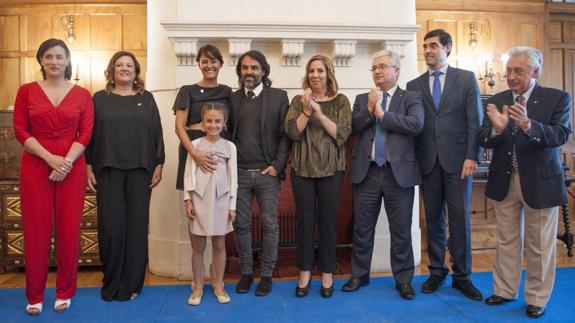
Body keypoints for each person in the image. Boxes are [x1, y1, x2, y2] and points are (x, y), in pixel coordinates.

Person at [478, 46, 571, 319]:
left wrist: (529, 125)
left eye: (518, 70)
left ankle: (537, 297)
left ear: (536, 72)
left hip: (541, 182)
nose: (511, 76)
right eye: (508, 71)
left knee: (539, 244)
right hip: (504, 180)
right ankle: (505, 290)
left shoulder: (557, 98)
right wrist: (496, 128)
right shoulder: (498, 98)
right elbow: (483, 138)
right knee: (506, 240)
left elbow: (561, 135)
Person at [13, 38, 94, 315]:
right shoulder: (26, 91)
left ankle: (64, 290)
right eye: (48, 56)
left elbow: (86, 132)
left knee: (69, 229)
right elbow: (21, 131)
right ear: (41, 61)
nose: (54, 61)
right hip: (36, 163)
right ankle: (34, 295)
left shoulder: (83, 94)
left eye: (60, 56)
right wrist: (50, 159)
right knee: (36, 229)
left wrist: (66, 163)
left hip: (72, 165)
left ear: (67, 60)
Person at [406, 29, 483, 300]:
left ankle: (463, 277)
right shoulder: (413, 85)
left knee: (459, 220)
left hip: (459, 162)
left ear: (447, 48)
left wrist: (472, 156)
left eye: (433, 46)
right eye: (425, 46)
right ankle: (437, 271)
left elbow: (475, 121)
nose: (427, 50)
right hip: (428, 162)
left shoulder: (466, 79)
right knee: (434, 221)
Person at [342, 50, 424, 300]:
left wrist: (383, 115)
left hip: (398, 174)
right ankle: (359, 275)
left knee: (401, 230)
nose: (377, 71)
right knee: (362, 228)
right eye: (374, 67)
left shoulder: (411, 97)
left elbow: (415, 125)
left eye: (382, 66)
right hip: (366, 173)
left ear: (396, 70)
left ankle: (403, 279)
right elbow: (352, 128)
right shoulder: (360, 98)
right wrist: (369, 109)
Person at [85, 51, 165, 302]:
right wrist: (87, 165)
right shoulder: (98, 99)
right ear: (111, 70)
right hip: (107, 169)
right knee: (111, 228)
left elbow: (157, 133)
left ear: (136, 70)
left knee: (136, 229)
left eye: (129, 65)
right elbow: (88, 134)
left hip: (141, 171)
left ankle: (131, 285)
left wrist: (159, 163)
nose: (124, 68)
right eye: (119, 65)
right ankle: (111, 284)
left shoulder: (147, 98)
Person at [285, 55, 351, 299]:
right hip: (302, 169)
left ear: (328, 73)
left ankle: (326, 273)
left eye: (320, 70)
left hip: (332, 170)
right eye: (311, 70)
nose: (315, 75)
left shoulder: (341, 101)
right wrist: (305, 110)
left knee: (328, 222)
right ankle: (304, 273)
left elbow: (341, 134)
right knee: (304, 222)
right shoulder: (297, 101)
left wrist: (320, 113)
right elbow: (292, 132)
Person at [229, 50, 291, 296]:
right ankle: (246, 272)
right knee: (241, 225)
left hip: (267, 173)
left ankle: (266, 274)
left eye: (254, 68)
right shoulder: (231, 99)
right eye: (244, 68)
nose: (249, 72)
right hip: (240, 173)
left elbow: (285, 136)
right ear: (240, 71)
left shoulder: (278, 97)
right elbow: (225, 132)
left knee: (269, 224)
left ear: (263, 71)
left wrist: (277, 165)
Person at [183, 103, 237, 306]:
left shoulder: (230, 147)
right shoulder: (195, 145)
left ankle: (218, 284)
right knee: (198, 245)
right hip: (199, 198)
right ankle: (197, 286)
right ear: (203, 123)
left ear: (224, 124)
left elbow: (233, 179)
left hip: (221, 198)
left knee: (219, 243)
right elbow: (188, 172)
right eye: (209, 121)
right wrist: (188, 199)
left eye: (217, 121)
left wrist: (232, 206)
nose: (213, 125)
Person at [174, 44, 232, 187]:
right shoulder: (187, 90)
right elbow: (179, 127)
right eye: (204, 61)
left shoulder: (228, 91)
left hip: (220, 145)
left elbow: (231, 122)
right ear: (199, 65)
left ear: (221, 64)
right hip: (194, 145)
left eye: (213, 61)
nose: (209, 66)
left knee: (219, 190)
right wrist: (194, 153)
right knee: (192, 195)